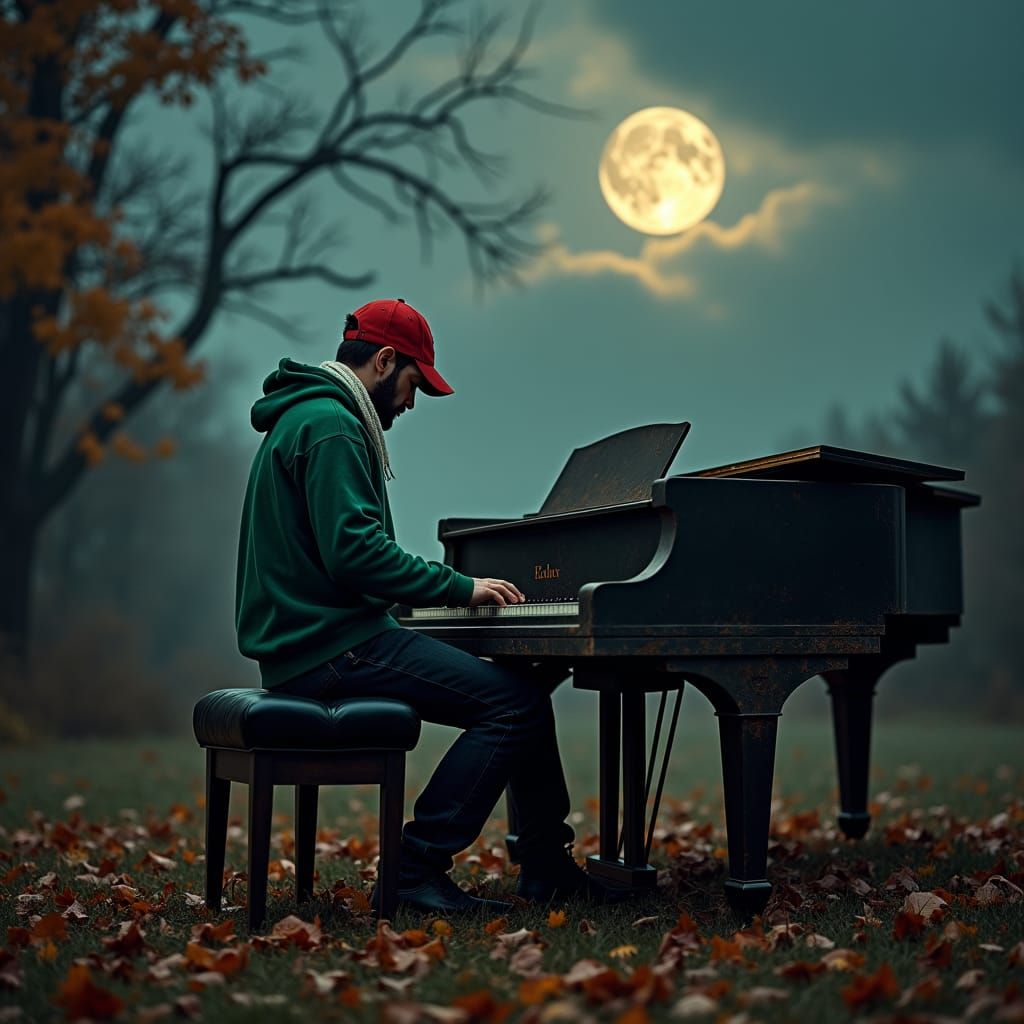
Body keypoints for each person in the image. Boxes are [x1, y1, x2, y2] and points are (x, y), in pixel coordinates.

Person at [235, 298, 624, 914]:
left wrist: (425, 597)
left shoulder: (306, 416)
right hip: (330, 649)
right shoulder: (333, 426)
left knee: (523, 692)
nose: (411, 403)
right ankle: (415, 869)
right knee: (515, 706)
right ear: (385, 360)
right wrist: (457, 588)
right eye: (414, 384)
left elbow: (342, 556)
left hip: (315, 639)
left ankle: (546, 865)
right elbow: (355, 554)